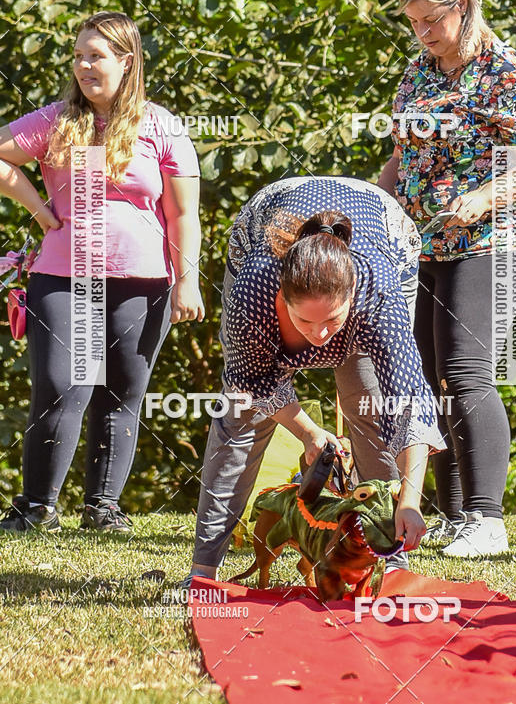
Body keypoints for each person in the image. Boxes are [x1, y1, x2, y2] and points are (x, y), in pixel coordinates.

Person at [378, 0, 516, 557]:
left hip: (492, 244)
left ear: (463, 6)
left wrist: (483, 196)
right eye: (412, 22)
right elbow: (404, 156)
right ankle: (455, 518)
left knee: (465, 371)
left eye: (431, 19)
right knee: (431, 380)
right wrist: (370, 202)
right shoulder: (418, 73)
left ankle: (488, 518)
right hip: (425, 244)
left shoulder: (505, 71)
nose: (422, 33)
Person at [0, 11, 203, 533]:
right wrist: (39, 209)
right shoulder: (55, 121)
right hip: (66, 277)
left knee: (121, 392)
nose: (84, 65)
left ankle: (102, 507)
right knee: (62, 383)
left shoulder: (163, 126)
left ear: (126, 61)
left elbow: (183, 214)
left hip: (143, 282)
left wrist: (188, 281)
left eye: (97, 56)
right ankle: (35, 507)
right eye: (78, 55)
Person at [186, 175, 446, 583]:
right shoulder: (254, 292)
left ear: (352, 298)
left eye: (332, 320)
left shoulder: (377, 294)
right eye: (305, 319)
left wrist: (410, 501)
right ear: (281, 299)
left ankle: (390, 559)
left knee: (371, 405)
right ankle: (204, 567)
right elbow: (250, 381)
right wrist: (308, 433)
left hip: (385, 228)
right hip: (268, 213)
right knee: (241, 418)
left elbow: (409, 400)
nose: (320, 334)